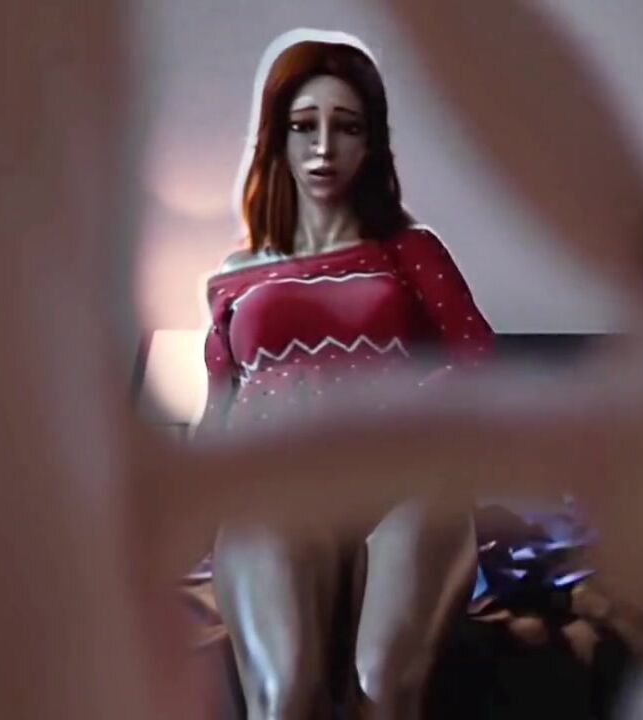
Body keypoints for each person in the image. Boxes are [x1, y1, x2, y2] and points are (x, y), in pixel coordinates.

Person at [196, 31, 495, 718]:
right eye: (304, 126)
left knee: (382, 682)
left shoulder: (411, 253)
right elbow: (217, 419)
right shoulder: (233, 279)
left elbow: (478, 368)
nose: (324, 147)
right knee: (285, 693)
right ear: (277, 139)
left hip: (404, 483)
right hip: (275, 486)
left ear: (371, 144)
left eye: (347, 127)